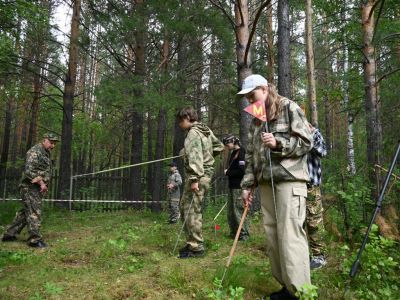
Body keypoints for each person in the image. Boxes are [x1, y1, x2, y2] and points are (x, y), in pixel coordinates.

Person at [239, 74, 313, 300]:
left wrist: (279, 143)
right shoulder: (257, 119)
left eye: (253, 96)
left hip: (289, 180)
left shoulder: (288, 107)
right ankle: (286, 287)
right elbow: (251, 155)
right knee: (272, 235)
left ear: (264, 89)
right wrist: (247, 184)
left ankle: (300, 292)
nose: (251, 102)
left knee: (290, 234)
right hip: (265, 183)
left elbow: (306, 141)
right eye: (248, 99)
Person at [176, 107, 224, 258]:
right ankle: (192, 242)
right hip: (205, 174)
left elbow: (195, 158)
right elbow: (219, 146)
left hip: (198, 176)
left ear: (187, 117)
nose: (179, 124)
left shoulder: (192, 133)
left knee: (191, 209)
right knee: (186, 206)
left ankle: (196, 247)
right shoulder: (205, 130)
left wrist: (194, 179)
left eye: (180, 121)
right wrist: (207, 156)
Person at [1, 133, 59, 248]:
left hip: (36, 188)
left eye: (54, 143)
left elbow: (43, 170)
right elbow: (29, 171)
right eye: (51, 142)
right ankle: (34, 240)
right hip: (29, 187)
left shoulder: (46, 152)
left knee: (26, 212)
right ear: (44, 140)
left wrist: (44, 183)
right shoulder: (34, 152)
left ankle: (9, 234)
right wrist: (42, 183)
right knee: (34, 212)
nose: (52, 145)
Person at [306, 123, 328, 269]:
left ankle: (320, 256)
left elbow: (322, 151)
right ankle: (303, 256)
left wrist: (308, 136)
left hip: (311, 186)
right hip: (295, 185)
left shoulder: (314, 133)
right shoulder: (293, 134)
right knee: (297, 222)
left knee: (314, 221)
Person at [222, 135, 249, 241]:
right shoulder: (233, 153)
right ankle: (234, 232)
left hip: (238, 186)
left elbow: (242, 171)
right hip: (232, 186)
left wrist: (228, 172)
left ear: (233, 141)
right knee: (231, 211)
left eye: (227, 144)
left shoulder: (241, 152)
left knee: (238, 210)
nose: (227, 146)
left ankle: (243, 234)